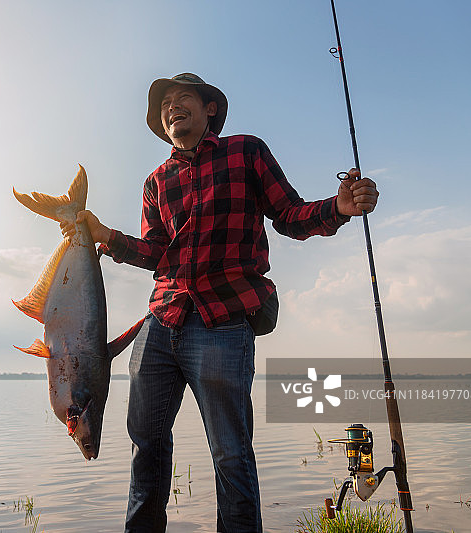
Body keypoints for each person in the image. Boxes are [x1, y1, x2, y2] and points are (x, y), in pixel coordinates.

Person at [60, 73, 379, 533]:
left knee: (230, 452)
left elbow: (289, 215)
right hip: (161, 319)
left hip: (225, 320)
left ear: (210, 109)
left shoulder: (245, 152)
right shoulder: (156, 181)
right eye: (165, 104)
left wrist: (339, 208)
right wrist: (107, 237)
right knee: (145, 445)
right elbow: (156, 252)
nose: (173, 108)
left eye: (182, 98)